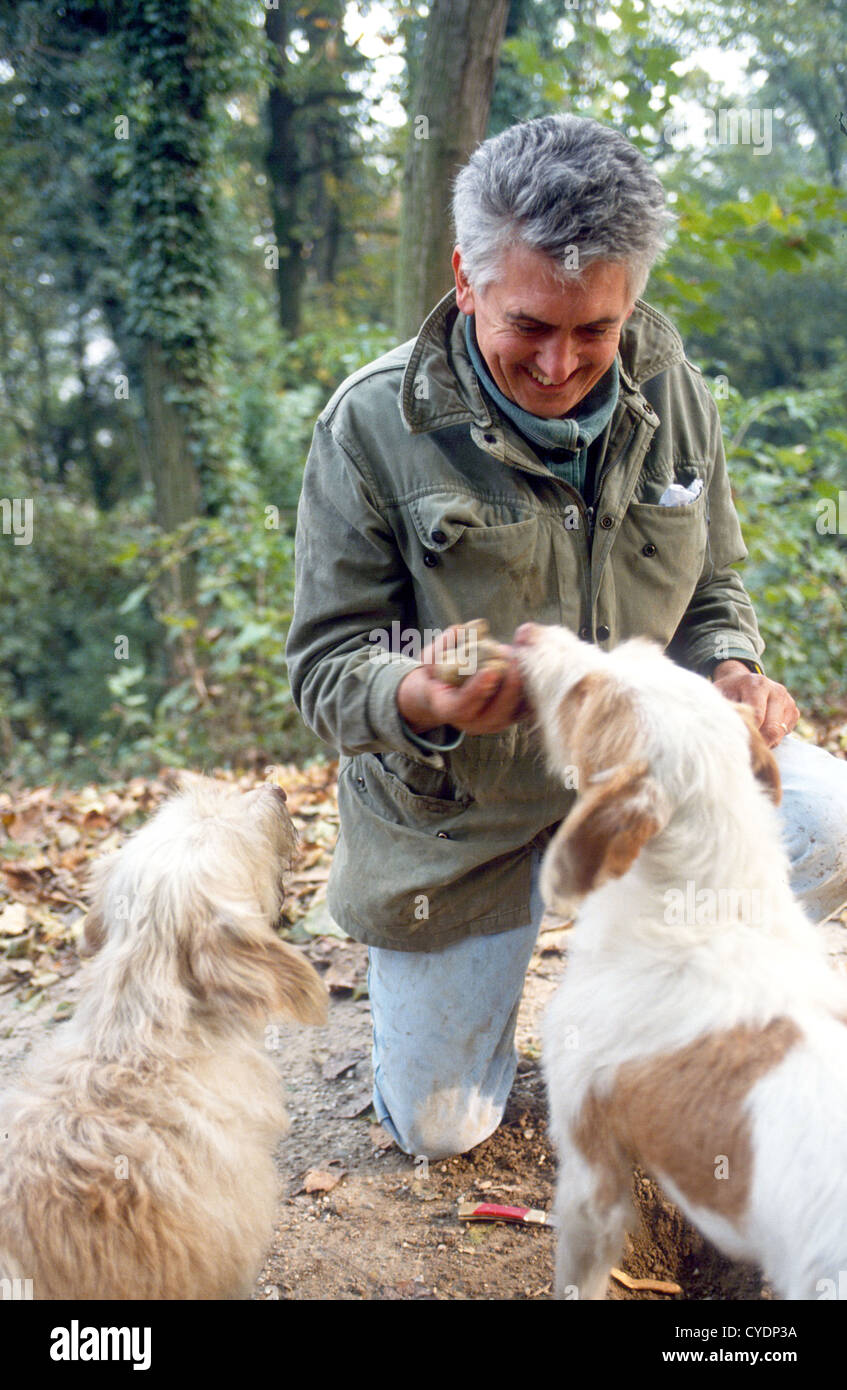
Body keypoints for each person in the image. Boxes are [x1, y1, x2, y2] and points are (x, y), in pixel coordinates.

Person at [285, 114, 847, 1160]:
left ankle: (637, 999)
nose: (560, 363)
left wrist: (732, 667)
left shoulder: (672, 388)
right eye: (529, 325)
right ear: (466, 280)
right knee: (443, 1130)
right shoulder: (368, 426)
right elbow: (325, 665)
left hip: (642, 786)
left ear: (630, 297)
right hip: (460, 827)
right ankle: (489, 994)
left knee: (829, 820)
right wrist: (420, 695)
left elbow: (712, 581)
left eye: (595, 329)